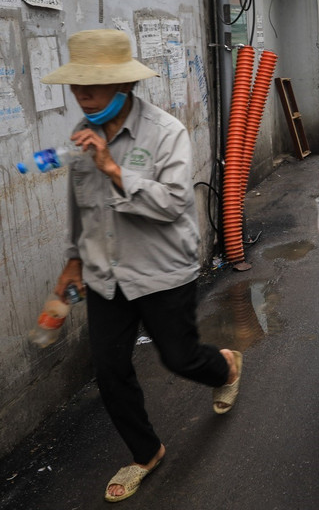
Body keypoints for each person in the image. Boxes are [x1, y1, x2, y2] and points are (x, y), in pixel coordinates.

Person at [43, 29, 242, 503]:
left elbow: (174, 204)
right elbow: (82, 204)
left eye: (93, 84)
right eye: (76, 85)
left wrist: (114, 169)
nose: (82, 94)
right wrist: (73, 259)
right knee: (110, 370)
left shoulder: (165, 132)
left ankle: (226, 367)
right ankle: (146, 451)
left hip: (161, 270)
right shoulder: (81, 135)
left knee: (180, 358)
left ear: (124, 85)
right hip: (105, 274)